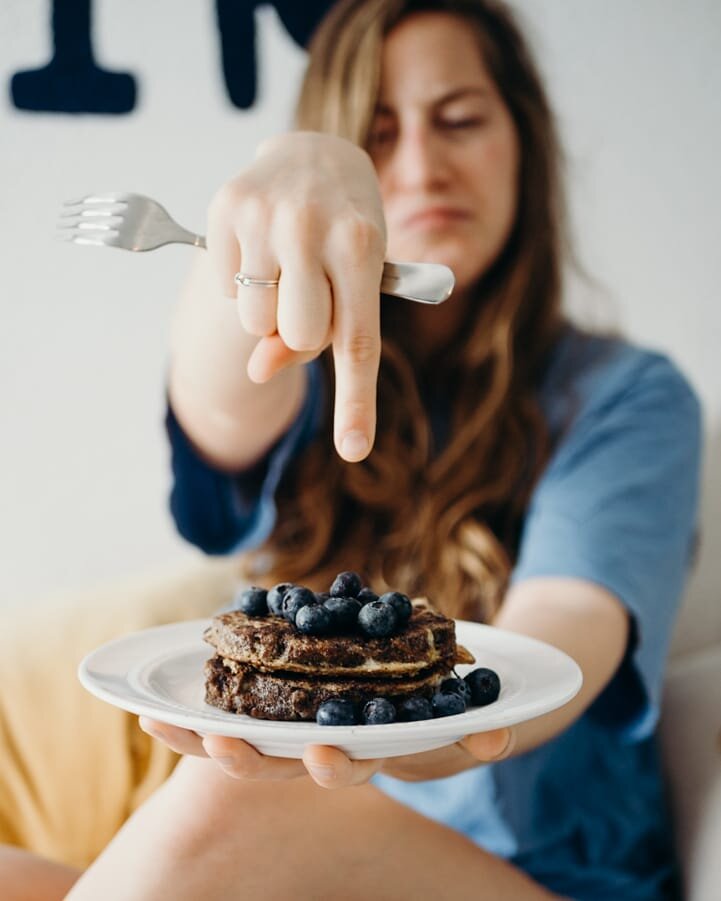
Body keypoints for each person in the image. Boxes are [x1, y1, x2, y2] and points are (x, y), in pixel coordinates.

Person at [0, 0, 702, 898]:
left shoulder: (628, 399)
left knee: (234, 803)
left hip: (527, 873)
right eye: (375, 133)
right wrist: (284, 178)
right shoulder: (302, 375)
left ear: (522, 142)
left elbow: (561, 640)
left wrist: (408, 730)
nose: (421, 163)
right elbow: (219, 396)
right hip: (285, 866)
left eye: (458, 119)